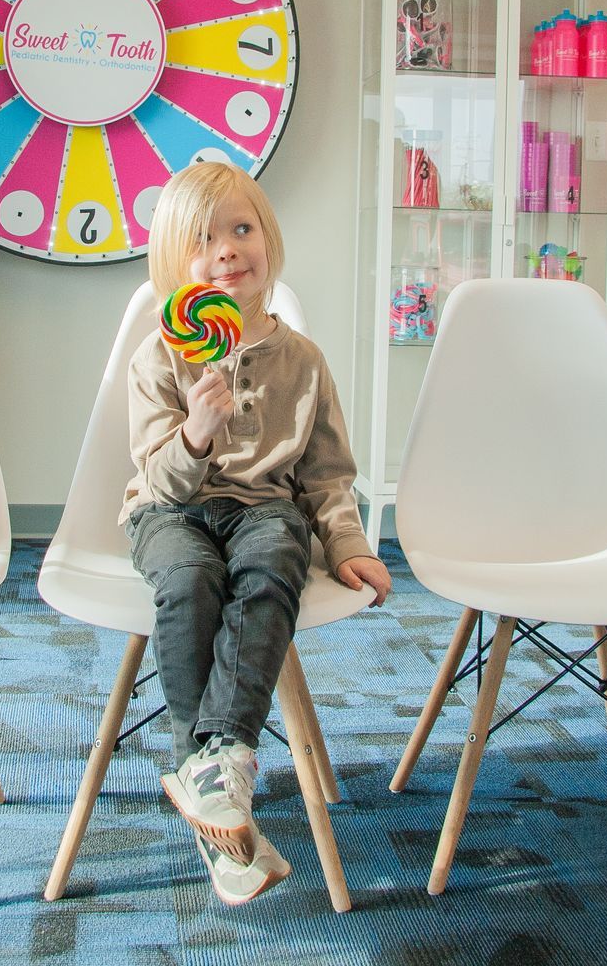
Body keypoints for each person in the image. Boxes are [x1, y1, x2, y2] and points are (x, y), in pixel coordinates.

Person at [122, 162, 392, 904]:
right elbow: (162, 481)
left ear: (268, 240)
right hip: (169, 510)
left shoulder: (302, 361)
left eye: (242, 230)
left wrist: (348, 544)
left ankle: (222, 761)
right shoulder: (159, 357)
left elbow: (326, 477)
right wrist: (198, 430)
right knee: (188, 581)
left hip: (264, 508)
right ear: (175, 264)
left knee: (274, 559)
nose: (227, 250)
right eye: (203, 240)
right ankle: (213, 785)